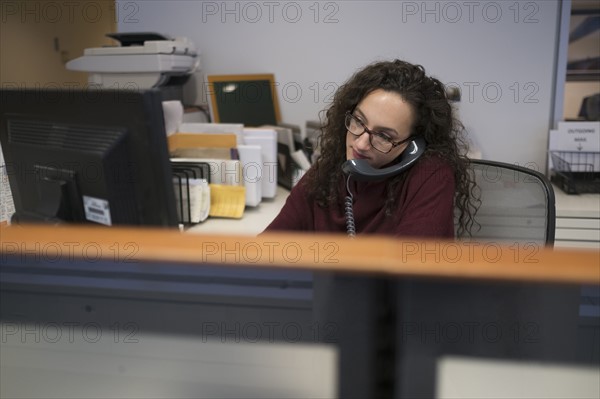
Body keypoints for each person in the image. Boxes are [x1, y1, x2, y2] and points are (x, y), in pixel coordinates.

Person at [264, 59, 478, 238]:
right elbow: (264, 251)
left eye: (383, 136)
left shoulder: (431, 177)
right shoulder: (328, 171)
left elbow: (410, 276)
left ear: (413, 145)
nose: (360, 143)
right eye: (358, 121)